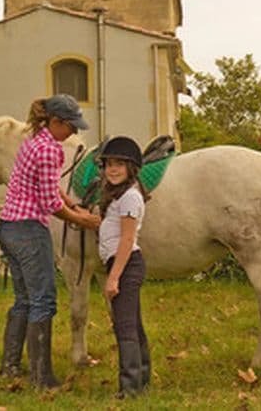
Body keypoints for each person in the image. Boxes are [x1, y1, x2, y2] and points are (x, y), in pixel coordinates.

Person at [0, 94, 101, 389]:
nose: (74, 133)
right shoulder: (50, 151)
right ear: (55, 122)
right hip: (29, 231)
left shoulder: (33, 142)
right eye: (70, 127)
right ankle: (42, 378)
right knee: (43, 300)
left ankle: (10, 366)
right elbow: (49, 204)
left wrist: (75, 205)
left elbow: (52, 189)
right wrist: (83, 220)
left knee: (24, 300)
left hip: (9, 228)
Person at [98, 136, 151, 398]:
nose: (113, 169)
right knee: (133, 325)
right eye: (109, 164)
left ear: (131, 168)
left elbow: (127, 240)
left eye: (119, 164)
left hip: (126, 264)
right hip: (122, 264)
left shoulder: (130, 198)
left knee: (125, 327)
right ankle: (142, 379)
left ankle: (129, 389)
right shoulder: (121, 197)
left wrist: (113, 278)